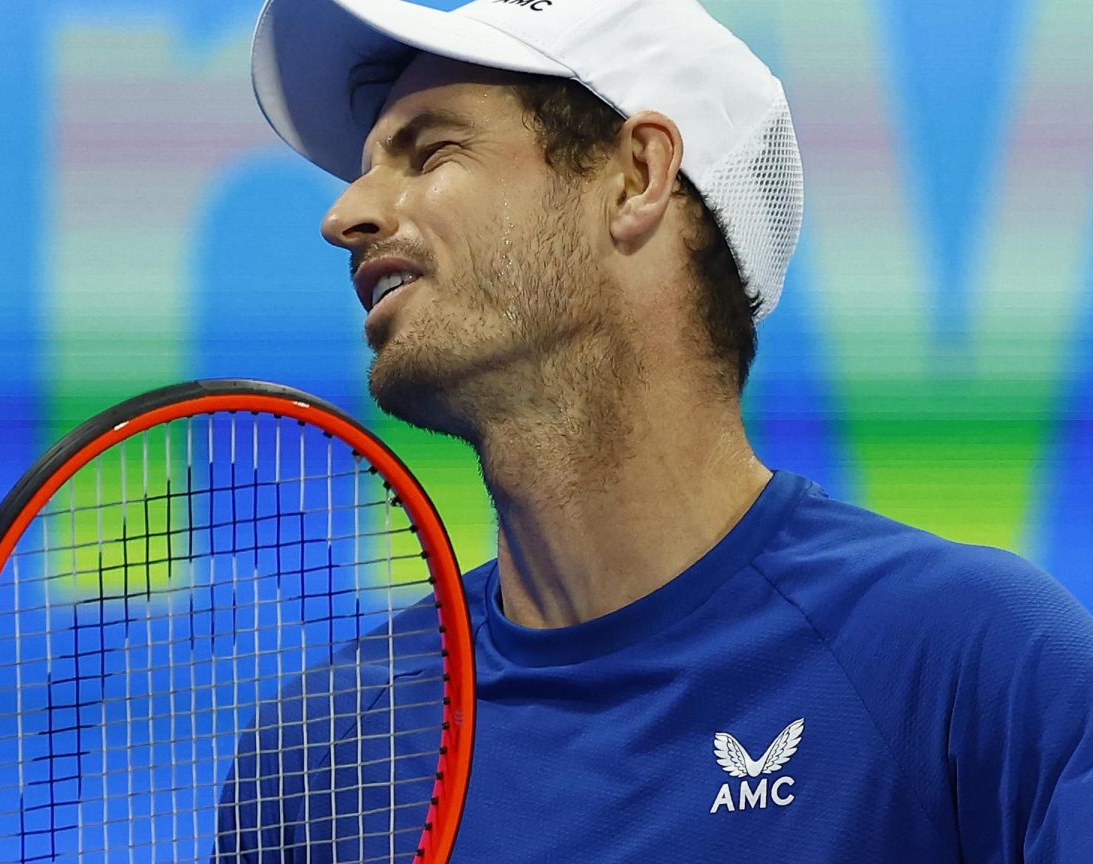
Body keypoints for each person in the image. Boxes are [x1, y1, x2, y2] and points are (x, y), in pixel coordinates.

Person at [219, 0, 1093, 860]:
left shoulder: (977, 658)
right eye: (367, 168)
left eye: (432, 150)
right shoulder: (315, 754)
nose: (345, 216)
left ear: (638, 175)